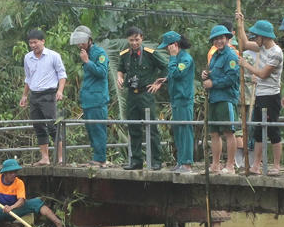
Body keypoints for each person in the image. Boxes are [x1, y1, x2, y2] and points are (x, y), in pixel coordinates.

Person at [235, 16, 284, 176]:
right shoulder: (261, 48)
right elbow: (243, 44)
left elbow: (263, 74)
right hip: (260, 94)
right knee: (258, 131)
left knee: (272, 130)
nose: (255, 39)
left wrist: (246, 65)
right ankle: (256, 165)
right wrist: (241, 24)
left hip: (271, 96)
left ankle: (276, 166)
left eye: (257, 36)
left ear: (263, 36)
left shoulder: (276, 53)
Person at [117, 26, 167, 170]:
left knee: (151, 127)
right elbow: (121, 69)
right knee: (133, 127)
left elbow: (165, 66)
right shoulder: (125, 54)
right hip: (132, 94)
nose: (134, 43)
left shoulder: (150, 53)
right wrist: (119, 77)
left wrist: (159, 82)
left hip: (146, 94)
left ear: (142, 38)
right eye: (131, 40)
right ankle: (136, 161)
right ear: (128, 40)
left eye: (137, 40)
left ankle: (156, 161)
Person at [0, 158, 64, 227]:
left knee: (37, 202)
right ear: (5, 173)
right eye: (11, 173)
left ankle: (58, 223)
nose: (13, 175)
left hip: (14, 211)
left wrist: (11, 207)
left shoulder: (19, 183)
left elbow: (21, 201)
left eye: (15, 172)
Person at [151, 31, 195, 172]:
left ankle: (187, 163)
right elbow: (173, 75)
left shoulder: (185, 58)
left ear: (174, 45)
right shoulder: (177, 59)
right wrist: (165, 80)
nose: (166, 49)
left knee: (185, 131)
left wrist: (173, 57)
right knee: (178, 131)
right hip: (176, 100)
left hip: (184, 100)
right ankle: (180, 161)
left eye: (167, 46)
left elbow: (178, 73)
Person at [20, 29, 66, 165]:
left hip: (49, 94)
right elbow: (28, 78)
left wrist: (60, 91)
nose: (33, 45)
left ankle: (60, 158)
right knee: (38, 126)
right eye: (30, 43)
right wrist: (24, 95)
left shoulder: (53, 56)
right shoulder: (28, 57)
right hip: (34, 94)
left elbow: (62, 75)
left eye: (35, 42)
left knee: (53, 126)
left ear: (42, 41)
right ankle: (45, 158)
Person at [202, 24, 240, 174]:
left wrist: (213, 83)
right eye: (216, 39)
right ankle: (215, 164)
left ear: (227, 39)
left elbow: (231, 78)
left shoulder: (231, 56)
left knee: (229, 132)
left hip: (226, 98)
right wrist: (206, 75)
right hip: (213, 99)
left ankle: (230, 165)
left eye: (222, 38)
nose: (219, 41)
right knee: (214, 133)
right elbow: (213, 73)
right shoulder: (215, 56)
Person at [70, 26, 110, 167]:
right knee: (91, 129)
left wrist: (87, 61)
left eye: (82, 42)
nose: (80, 45)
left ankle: (101, 159)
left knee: (98, 128)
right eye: (78, 43)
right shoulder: (85, 53)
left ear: (90, 40)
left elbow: (102, 72)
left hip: (97, 99)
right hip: (88, 99)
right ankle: (96, 157)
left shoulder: (99, 53)